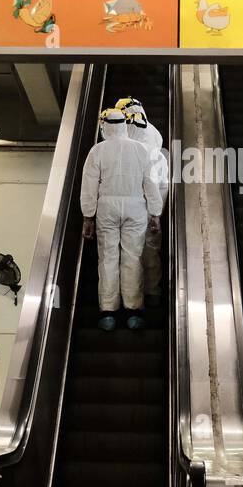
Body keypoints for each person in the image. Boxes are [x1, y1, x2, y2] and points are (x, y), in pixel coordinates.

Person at [80, 108, 163, 330]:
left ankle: (108, 311)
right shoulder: (141, 149)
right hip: (136, 207)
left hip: (106, 207)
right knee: (132, 258)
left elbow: (89, 186)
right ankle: (133, 310)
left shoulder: (97, 151)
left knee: (107, 258)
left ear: (106, 125)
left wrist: (88, 216)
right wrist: (155, 213)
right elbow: (150, 184)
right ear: (124, 126)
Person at [124, 105, 169, 307]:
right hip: (134, 211)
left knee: (139, 253)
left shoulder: (152, 149)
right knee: (144, 253)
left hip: (140, 211)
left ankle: (144, 296)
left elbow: (161, 185)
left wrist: (155, 214)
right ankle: (144, 296)